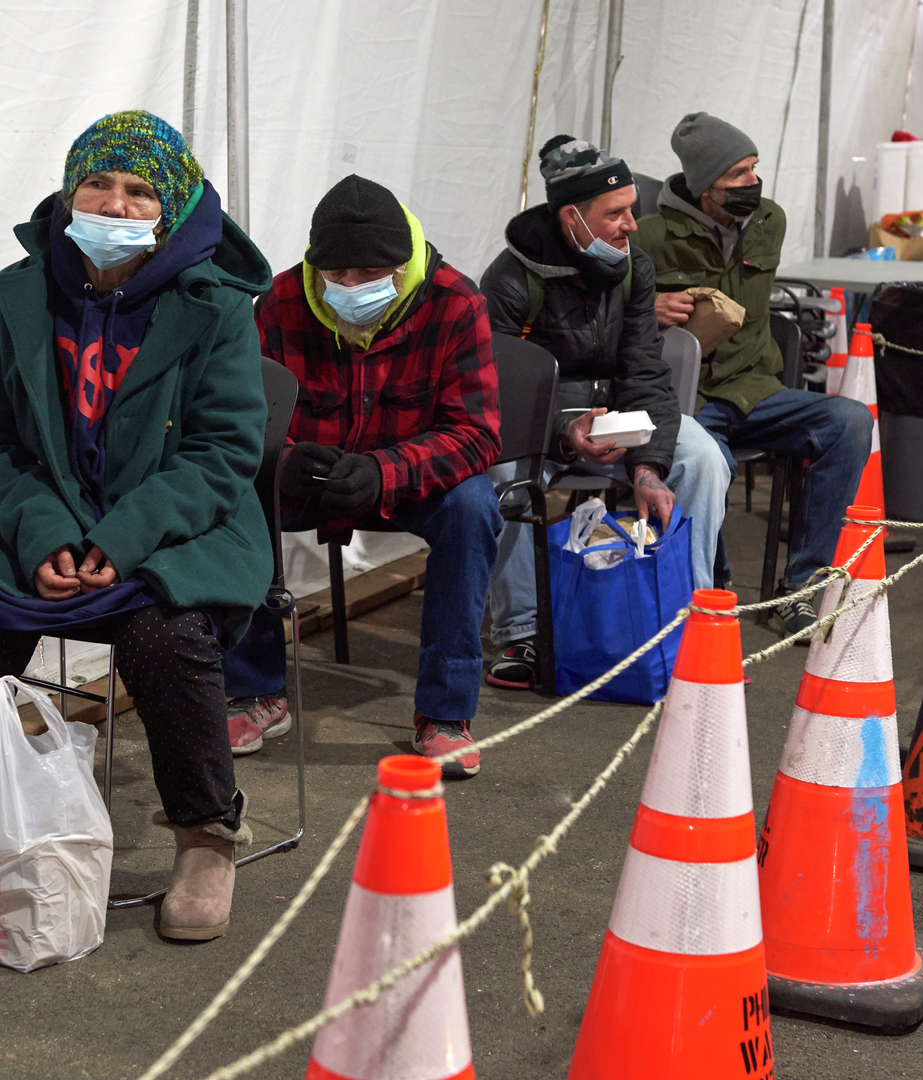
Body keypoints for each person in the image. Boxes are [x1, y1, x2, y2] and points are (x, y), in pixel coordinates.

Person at [0, 110, 273, 940]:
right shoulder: (16, 295)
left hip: (180, 524)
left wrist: (118, 541)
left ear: (174, 206)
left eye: (140, 191)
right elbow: (5, 446)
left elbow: (224, 454)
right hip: (47, 522)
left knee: (164, 633)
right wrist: (43, 529)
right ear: (69, 191)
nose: (116, 207)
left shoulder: (216, 305)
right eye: (99, 184)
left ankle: (206, 835)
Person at [222, 175, 501, 778]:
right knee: (236, 493)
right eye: (335, 275)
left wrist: (386, 472)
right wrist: (283, 460)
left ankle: (445, 714)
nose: (349, 289)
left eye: (369, 276)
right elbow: (238, 416)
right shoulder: (277, 303)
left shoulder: (455, 303)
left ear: (404, 266)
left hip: (408, 483)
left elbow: (477, 432)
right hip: (307, 480)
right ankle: (254, 690)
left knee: (473, 507)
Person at [481, 135, 728, 688]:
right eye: (615, 214)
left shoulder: (633, 270)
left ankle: (687, 624)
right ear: (572, 218)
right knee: (498, 471)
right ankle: (523, 633)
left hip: (620, 419)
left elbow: (645, 374)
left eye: (632, 210)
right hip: (538, 427)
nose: (632, 225)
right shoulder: (510, 280)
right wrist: (564, 430)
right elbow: (498, 394)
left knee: (703, 457)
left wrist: (648, 466)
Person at [635, 112, 873, 640]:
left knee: (850, 421)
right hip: (692, 400)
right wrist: (648, 306)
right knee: (707, 460)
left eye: (754, 169)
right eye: (737, 175)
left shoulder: (769, 220)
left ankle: (802, 589)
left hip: (759, 390)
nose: (753, 183)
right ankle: (713, 586)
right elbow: (615, 315)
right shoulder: (649, 237)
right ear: (703, 188)